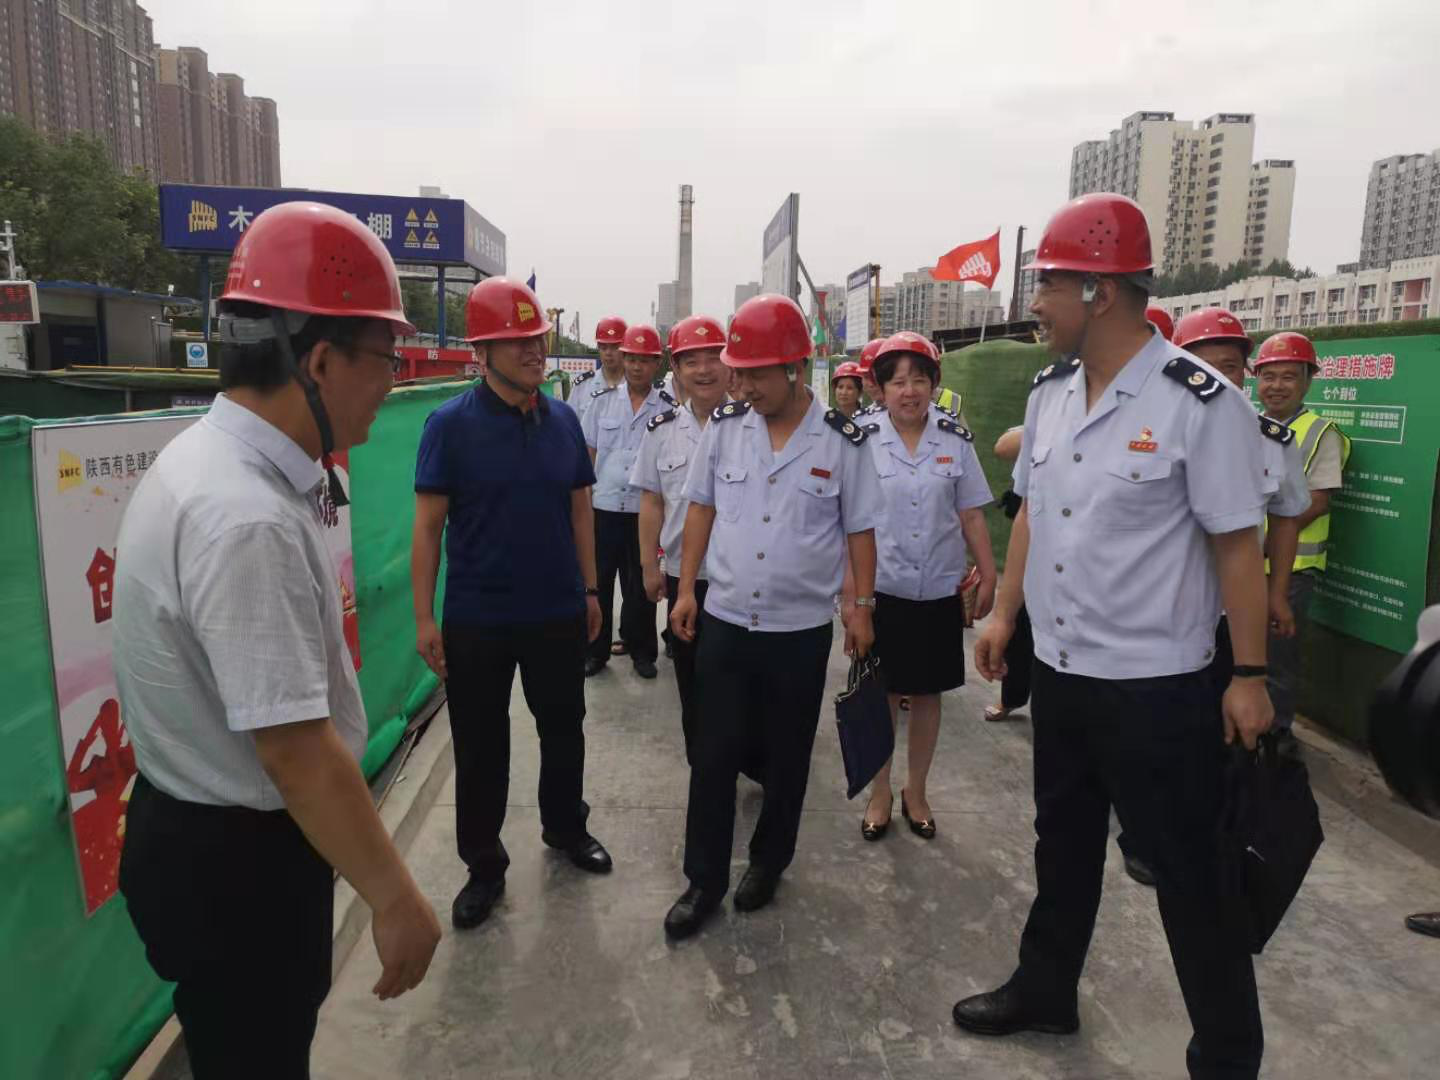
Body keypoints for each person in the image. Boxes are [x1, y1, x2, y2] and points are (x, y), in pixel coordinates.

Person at [114, 202, 442, 1078]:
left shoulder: (209, 464)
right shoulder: (244, 516)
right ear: (320, 360)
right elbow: (295, 752)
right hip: (238, 869)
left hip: (206, 843)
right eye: (386, 358)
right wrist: (395, 898)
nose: (393, 381)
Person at [954, 193, 1274, 1080]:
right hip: (1063, 672)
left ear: (1098, 291)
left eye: (1049, 285)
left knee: (1192, 878)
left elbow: (1238, 549)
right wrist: (1006, 613)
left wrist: (1249, 675)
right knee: (1061, 846)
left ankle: (1226, 1055)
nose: (1037, 303)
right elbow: (1031, 514)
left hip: (1157, 688)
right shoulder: (1051, 394)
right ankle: (1046, 989)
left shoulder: (1198, 403)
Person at [662, 294, 884, 939]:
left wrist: (861, 607)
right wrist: (685, 590)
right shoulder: (727, 427)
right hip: (727, 619)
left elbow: (860, 529)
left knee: (788, 756)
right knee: (713, 755)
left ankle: (768, 862)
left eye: (756, 374)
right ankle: (703, 878)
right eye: (740, 373)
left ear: (796, 368)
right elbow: (700, 506)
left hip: (799, 630)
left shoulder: (841, 440)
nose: (743, 385)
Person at [412, 276, 613, 932]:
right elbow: (428, 528)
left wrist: (590, 589)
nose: (534, 351)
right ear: (482, 352)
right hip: (478, 619)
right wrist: (424, 617)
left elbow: (580, 509)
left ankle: (566, 828)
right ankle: (483, 865)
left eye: (538, 339)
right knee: (480, 746)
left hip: (556, 610)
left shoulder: (564, 420)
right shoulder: (449, 427)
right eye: (517, 341)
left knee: (564, 727)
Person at [1114, 308, 1311, 890]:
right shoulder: (1145, 428)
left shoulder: (1269, 440)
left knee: (1220, 729)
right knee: (1151, 730)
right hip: (1164, 611)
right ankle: (1140, 836)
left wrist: (1277, 593)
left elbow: (1286, 519)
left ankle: (1211, 831)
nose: (1220, 377)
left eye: (1231, 365)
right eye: (1205, 364)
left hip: (1233, 615)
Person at [852, 332, 996, 842]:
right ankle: (880, 792)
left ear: (934, 384)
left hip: (937, 587)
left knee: (928, 693)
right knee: (883, 697)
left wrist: (989, 573)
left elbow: (971, 513)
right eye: (897, 381)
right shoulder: (861, 439)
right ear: (880, 388)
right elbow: (847, 522)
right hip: (881, 588)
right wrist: (851, 598)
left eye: (919, 380)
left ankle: (917, 789)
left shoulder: (954, 439)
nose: (909, 391)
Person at [632, 314, 729, 763]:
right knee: (690, 678)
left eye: (714, 357)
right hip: (685, 579)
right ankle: (703, 763)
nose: (704, 370)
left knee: (738, 680)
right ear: (676, 367)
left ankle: (741, 758)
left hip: (740, 578)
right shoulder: (662, 430)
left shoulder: (753, 424)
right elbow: (652, 501)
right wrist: (649, 567)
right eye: (692, 361)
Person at [1253, 331, 1351, 745]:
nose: (1276, 386)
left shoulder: (1320, 432)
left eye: (1289, 376)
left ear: (1308, 381)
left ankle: (1275, 738)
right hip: (1245, 565)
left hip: (1293, 569)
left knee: (1277, 659)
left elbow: (1318, 501)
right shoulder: (1246, 425)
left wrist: (1266, 539)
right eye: (1268, 376)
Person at [580, 322, 669, 679]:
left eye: (644, 360)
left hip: (643, 513)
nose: (636, 366)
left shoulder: (666, 408)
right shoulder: (601, 403)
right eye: (631, 358)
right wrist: (583, 505)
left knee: (642, 585)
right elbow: (587, 456)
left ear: (657, 364)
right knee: (598, 583)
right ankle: (595, 651)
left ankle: (642, 651)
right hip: (603, 510)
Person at [984, 425, 1034, 723]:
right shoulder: (1050, 411)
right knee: (1020, 623)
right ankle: (1011, 697)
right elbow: (1003, 446)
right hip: (1033, 525)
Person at [572, 315, 627, 427]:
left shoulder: (634, 387)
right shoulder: (583, 386)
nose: (608, 353)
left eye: (614, 347)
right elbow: (569, 425)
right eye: (603, 347)